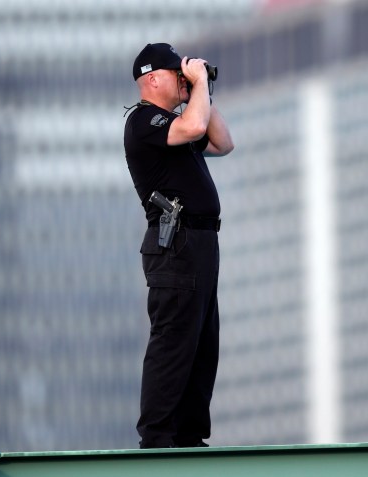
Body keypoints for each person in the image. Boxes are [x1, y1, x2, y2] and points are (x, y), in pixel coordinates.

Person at [123, 42, 234, 449]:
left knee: (203, 343)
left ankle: (189, 438)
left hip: (202, 243)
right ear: (152, 79)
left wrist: (201, 90)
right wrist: (199, 83)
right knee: (174, 340)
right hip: (176, 243)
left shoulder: (180, 121)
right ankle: (157, 440)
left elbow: (223, 142)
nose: (183, 78)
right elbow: (192, 128)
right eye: (176, 73)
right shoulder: (143, 121)